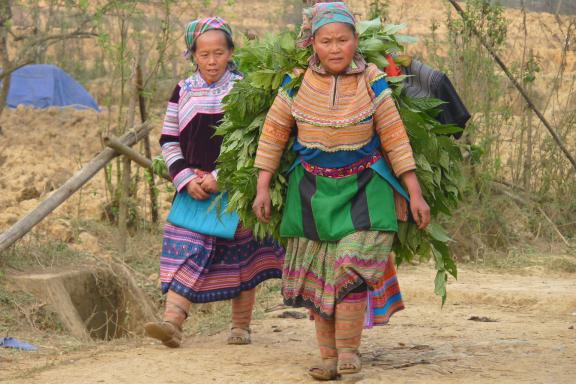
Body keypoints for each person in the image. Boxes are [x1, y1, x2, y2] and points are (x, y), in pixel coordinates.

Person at [252, 2, 430, 380]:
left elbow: (394, 137)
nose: (335, 48)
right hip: (311, 192)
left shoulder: (373, 80)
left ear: (355, 41)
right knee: (320, 277)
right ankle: (327, 357)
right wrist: (262, 186)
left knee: (350, 268)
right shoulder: (296, 82)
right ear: (312, 43)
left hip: (365, 188)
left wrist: (414, 192)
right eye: (326, 41)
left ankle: (349, 351)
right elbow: (274, 133)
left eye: (343, 40)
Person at [145, 16, 284, 348]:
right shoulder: (183, 90)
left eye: (219, 53)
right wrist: (183, 177)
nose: (211, 61)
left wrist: (223, 178)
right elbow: (168, 139)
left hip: (234, 189)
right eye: (204, 54)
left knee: (242, 259)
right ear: (192, 54)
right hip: (192, 188)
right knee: (186, 251)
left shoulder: (244, 88)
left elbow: (255, 141)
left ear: (231, 52)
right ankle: (172, 324)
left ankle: (240, 326)